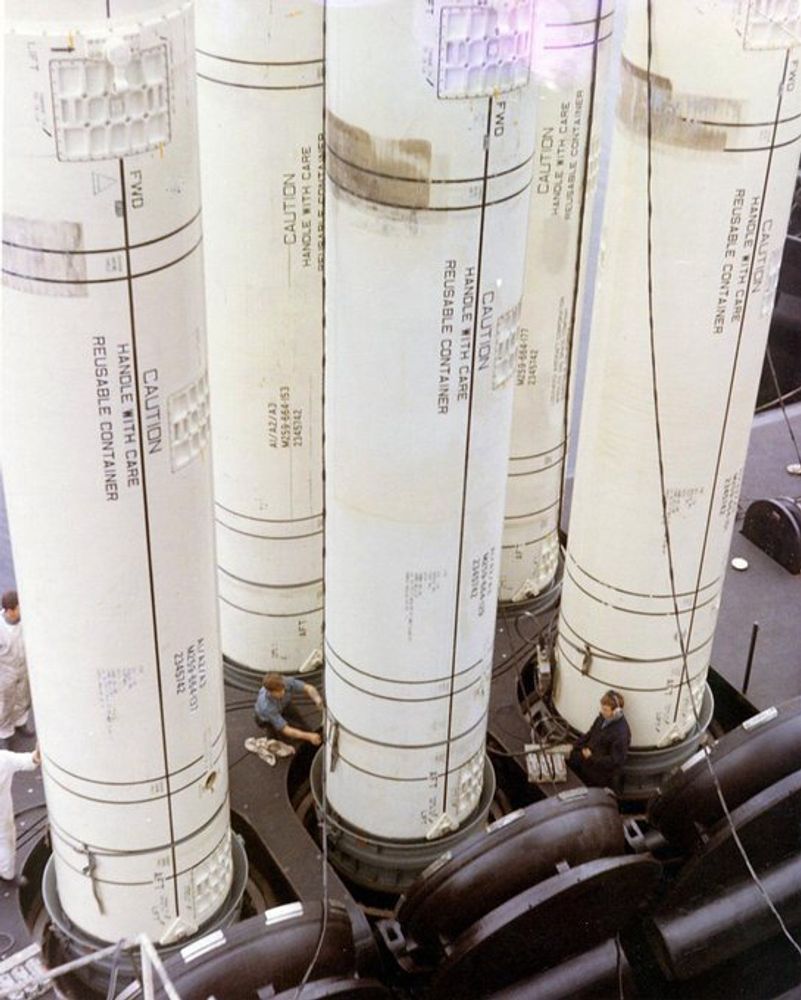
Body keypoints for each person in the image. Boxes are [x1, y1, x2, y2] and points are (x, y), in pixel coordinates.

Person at [568, 690, 631, 791]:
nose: (602, 711)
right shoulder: (602, 718)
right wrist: (575, 745)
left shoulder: (621, 734)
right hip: (588, 759)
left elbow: (615, 761)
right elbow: (590, 733)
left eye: (605, 709)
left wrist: (591, 758)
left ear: (616, 712)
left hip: (599, 773)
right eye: (602, 708)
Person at [0, 744, 40, 884]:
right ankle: (7, 874)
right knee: (5, 843)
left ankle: (7, 873)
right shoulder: (3, 760)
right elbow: (30, 761)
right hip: (2, 818)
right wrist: (38, 754)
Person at [0, 591, 33, 748]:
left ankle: (21, 724)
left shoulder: (26, 621)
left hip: (23, 668)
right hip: (6, 673)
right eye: (19, 608)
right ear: (10, 610)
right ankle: (6, 734)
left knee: (23, 698)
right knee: (6, 705)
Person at [254, 674, 323, 746]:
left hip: (285, 705)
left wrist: (318, 700)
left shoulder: (285, 682)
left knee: (300, 722)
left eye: (283, 689)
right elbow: (285, 729)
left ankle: (306, 733)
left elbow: (308, 688)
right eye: (278, 691)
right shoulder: (266, 706)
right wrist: (309, 737)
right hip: (267, 718)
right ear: (270, 692)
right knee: (280, 738)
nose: (283, 692)